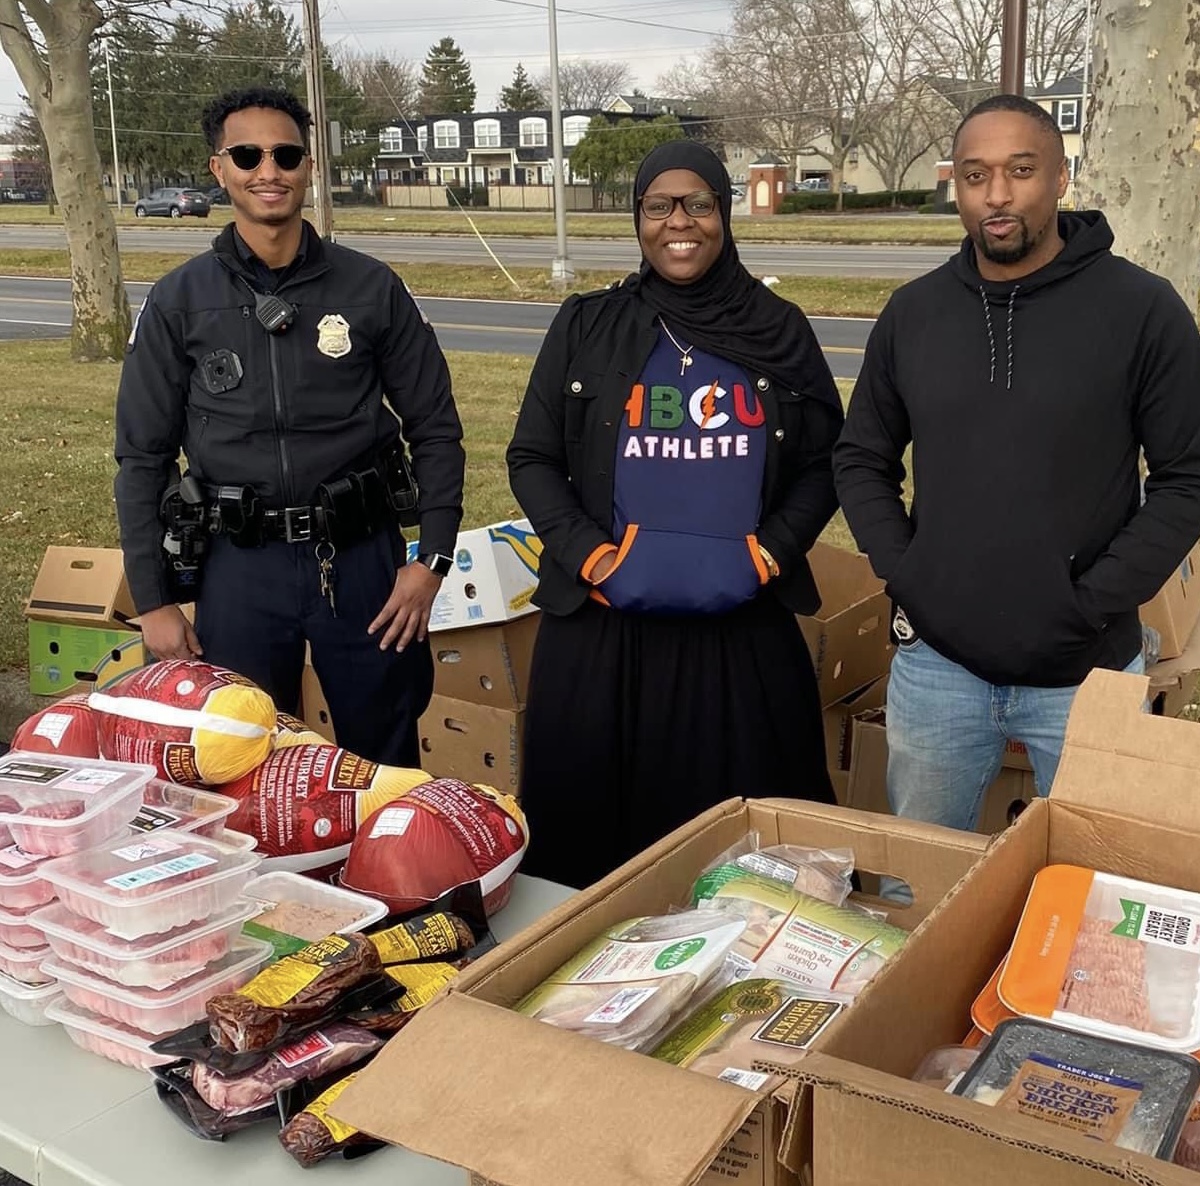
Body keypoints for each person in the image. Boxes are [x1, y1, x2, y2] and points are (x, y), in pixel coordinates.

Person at [834, 93, 1200, 833]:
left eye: (1021, 170)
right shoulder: (914, 314)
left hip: (1086, 669)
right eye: (975, 175)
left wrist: (1092, 600)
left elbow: (1190, 478)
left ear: (1061, 177)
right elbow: (861, 457)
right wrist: (908, 572)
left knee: (1090, 875)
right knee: (920, 875)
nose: (997, 195)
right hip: (937, 670)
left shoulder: (1142, 310)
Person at [506, 140, 844, 889]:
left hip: (739, 641)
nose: (678, 222)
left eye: (698, 203)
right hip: (604, 636)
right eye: (658, 206)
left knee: (748, 866)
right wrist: (593, 557)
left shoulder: (778, 328)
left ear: (724, 213)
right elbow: (531, 457)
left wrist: (769, 553)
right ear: (637, 218)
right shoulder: (589, 325)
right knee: (590, 867)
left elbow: (828, 461)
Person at [114, 87, 464, 767]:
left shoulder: (372, 289)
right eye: (248, 155)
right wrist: (153, 601)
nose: (268, 170)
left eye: (286, 154)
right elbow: (142, 458)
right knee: (240, 759)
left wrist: (432, 561)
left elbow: (435, 429)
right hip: (239, 568)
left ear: (310, 166)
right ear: (219, 169)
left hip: (361, 563)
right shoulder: (178, 300)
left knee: (383, 762)